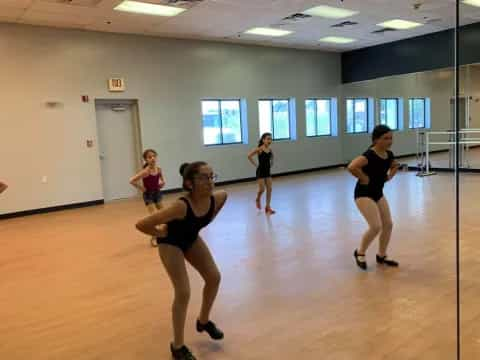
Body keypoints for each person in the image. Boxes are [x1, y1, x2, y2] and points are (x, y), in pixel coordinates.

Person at [136, 161, 227, 360]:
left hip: (191, 239)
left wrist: (204, 222)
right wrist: (159, 231)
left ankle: (203, 321)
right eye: (203, 177)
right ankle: (177, 346)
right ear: (189, 183)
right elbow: (142, 224)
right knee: (184, 291)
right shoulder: (180, 206)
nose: (210, 181)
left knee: (214, 277)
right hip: (171, 243)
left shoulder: (219, 198)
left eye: (212, 176)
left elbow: (209, 216)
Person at [348, 125, 400, 270]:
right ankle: (360, 253)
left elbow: (395, 165)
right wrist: (363, 177)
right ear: (376, 140)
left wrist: (389, 176)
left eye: (391, 138)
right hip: (363, 194)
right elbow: (352, 166)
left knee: (388, 224)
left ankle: (381, 255)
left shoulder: (388, 155)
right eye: (385, 138)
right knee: (376, 226)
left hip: (378, 193)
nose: (389, 141)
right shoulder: (369, 155)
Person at [130, 149, 165, 247]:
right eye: (149, 157)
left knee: (163, 214)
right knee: (154, 217)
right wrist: (141, 188)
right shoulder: (145, 171)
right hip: (148, 195)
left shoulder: (158, 169)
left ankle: (164, 234)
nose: (152, 158)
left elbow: (162, 180)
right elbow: (132, 180)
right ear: (146, 160)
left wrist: (162, 183)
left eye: (154, 156)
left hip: (157, 193)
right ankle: (154, 238)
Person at [247, 132, 275, 214]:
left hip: (267, 171)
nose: (269, 141)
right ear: (263, 140)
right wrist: (256, 165)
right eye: (268, 139)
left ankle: (268, 207)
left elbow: (272, 156)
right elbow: (249, 156)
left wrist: (272, 162)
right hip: (260, 171)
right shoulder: (259, 149)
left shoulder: (270, 149)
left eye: (270, 139)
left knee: (269, 189)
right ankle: (257, 199)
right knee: (262, 189)